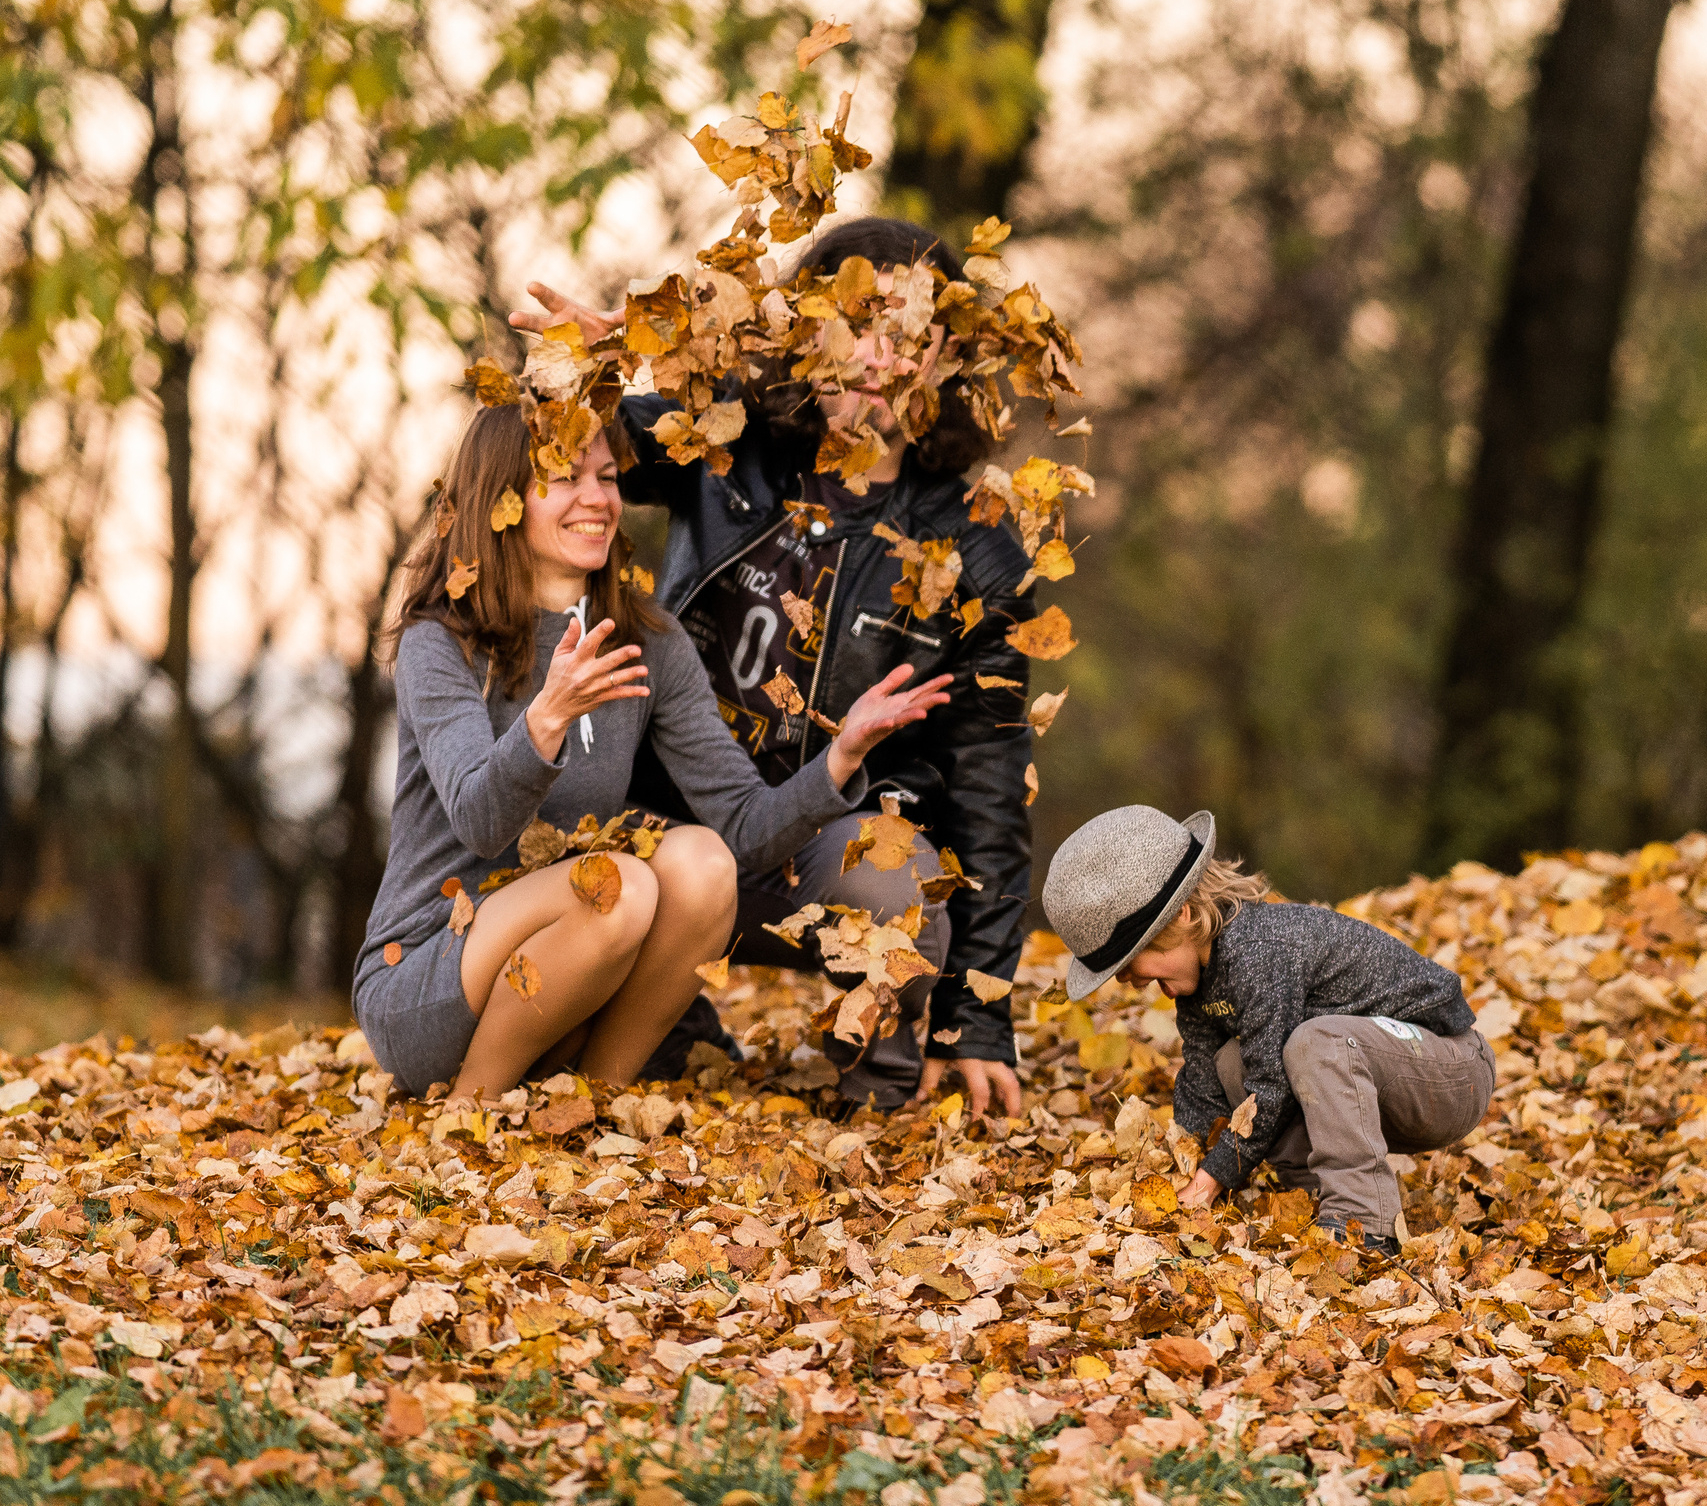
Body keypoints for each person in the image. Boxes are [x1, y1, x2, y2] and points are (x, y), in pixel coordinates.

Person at [508, 217, 1038, 1117]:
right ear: (803, 328)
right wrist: (589, 375)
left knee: (903, 878)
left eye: (908, 331)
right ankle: (668, 1030)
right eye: (854, 321)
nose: (877, 355)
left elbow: (991, 790)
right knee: (596, 937)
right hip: (668, 833)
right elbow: (575, 461)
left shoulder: (979, 551)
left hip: (822, 846)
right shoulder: (727, 440)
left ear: (947, 354)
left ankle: (878, 1101)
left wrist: (974, 1022)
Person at [355, 404, 950, 1101]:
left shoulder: (649, 641)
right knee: (620, 887)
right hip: (428, 973)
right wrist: (546, 718)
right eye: (565, 477)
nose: (597, 499)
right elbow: (481, 824)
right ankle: (470, 1111)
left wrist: (841, 756)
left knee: (703, 862)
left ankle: (597, 1099)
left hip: (570, 980)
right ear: (501, 499)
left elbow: (745, 827)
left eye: (608, 477)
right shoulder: (442, 640)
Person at [1043, 805, 1496, 1253]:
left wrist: (1215, 1176)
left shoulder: (1259, 950)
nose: (1133, 980)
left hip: (1450, 1073)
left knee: (1314, 1045)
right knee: (1228, 1062)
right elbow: (1202, 1080)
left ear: (1182, 914)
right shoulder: (1200, 976)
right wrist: (1181, 1159)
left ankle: (1365, 1222)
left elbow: (1271, 1087)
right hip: (1380, 1083)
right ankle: (1314, 1192)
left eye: (1133, 962)